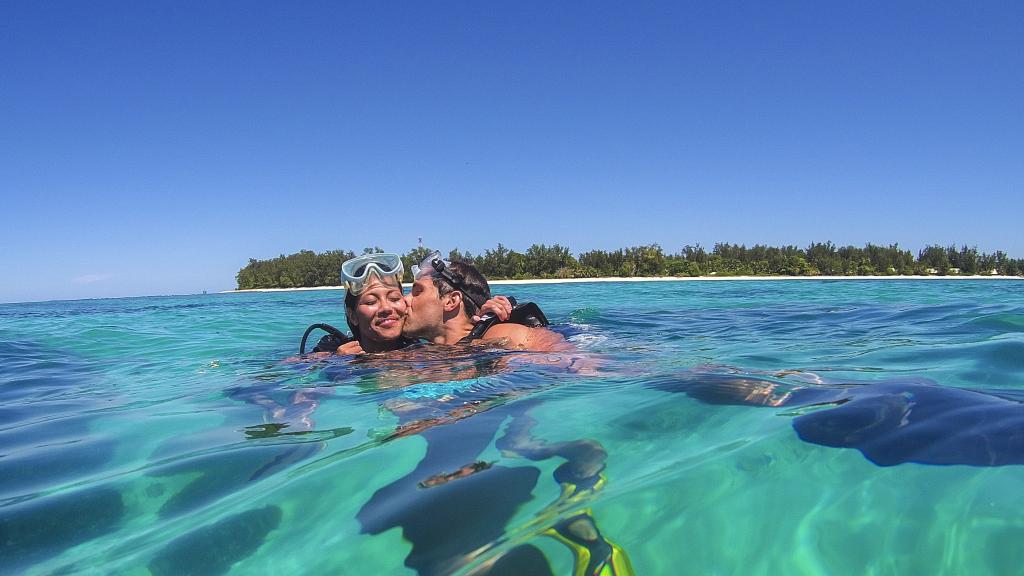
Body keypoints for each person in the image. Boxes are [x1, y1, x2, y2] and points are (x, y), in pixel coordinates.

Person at [401, 251, 568, 351]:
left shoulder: (500, 336)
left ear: (451, 301)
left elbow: (574, 361)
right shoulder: (421, 350)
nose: (405, 300)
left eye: (417, 292)